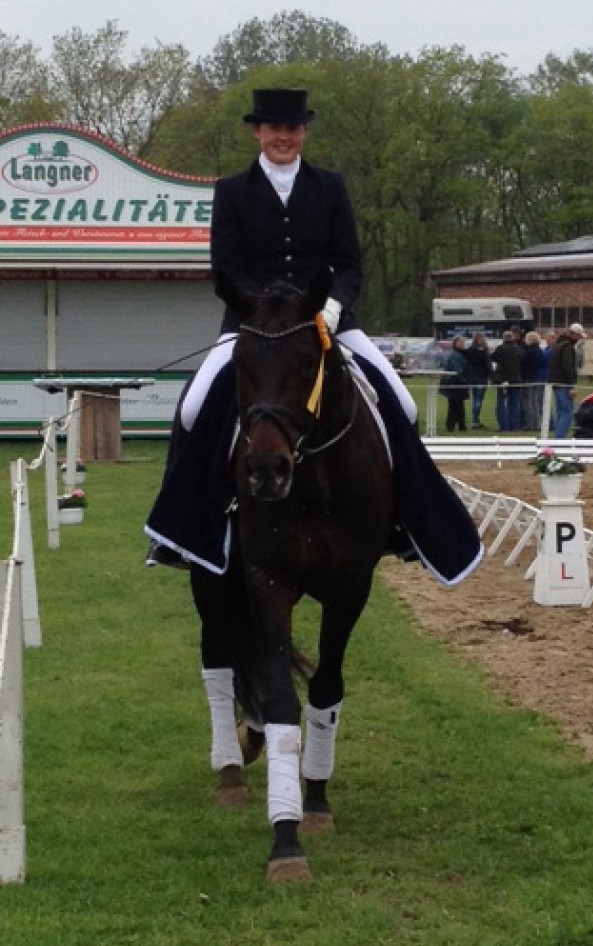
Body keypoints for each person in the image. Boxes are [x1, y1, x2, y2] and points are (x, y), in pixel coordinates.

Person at [145, 87, 482, 586]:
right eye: (274, 128)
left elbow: (348, 263)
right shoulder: (232, 190)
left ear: (302, 132)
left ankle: (405, 525)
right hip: (253, 324)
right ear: (258, 132)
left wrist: (328, 306)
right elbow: (225, 270)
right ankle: (186, 529)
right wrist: (263, 308)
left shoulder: (329, 186)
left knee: (403, 408)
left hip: (328, 321)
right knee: (195, 408)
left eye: (292, 128)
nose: (283, 137)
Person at [547, 322, 586, 438]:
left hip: (555, 382)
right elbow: (567, 367)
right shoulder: (568, 347)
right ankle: (560, 437)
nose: (579, 339)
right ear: (573, 334)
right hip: (564, 383)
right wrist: (572, 385)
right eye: (579, 336)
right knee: (567, 412)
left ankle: (557, 437)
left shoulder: (558, 345)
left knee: (560, 411)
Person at [491, 329, 524, 431]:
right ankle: (515, 425)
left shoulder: (500, 349)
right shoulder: (518, 349)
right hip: (516, 379)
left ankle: (504, 426)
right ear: (512, 338)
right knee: (515, 403)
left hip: (502, 380)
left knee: (501, 403)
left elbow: (492, 358)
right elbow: (523, 359)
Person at [439, 335, 470, 431]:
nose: (462, 344)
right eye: (460, 342)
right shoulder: (455, 356)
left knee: (458, 405)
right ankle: (452, 426)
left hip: (456, 384)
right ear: (455, 344)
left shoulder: (459, 354)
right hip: (454, 384)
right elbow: (457, 372)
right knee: (454, 406)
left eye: (463, 342)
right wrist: (465, 382)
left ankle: (460, 425)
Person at [464, 331, 492, 428]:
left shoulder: (470, 350)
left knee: (475, 399)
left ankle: (475, 419)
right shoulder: (483, 351)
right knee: (478, 400)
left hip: (473, 377)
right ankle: (475, 420)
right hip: (481, 377)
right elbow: (487, 364)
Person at [521, 331, 546, 431]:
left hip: (529, 378)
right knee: (536, 402)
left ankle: (530, 424)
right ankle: (537, 424)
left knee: (529, 402)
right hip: (538, 378)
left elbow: (524, 363)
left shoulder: (528, 351)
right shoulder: (540, 350)